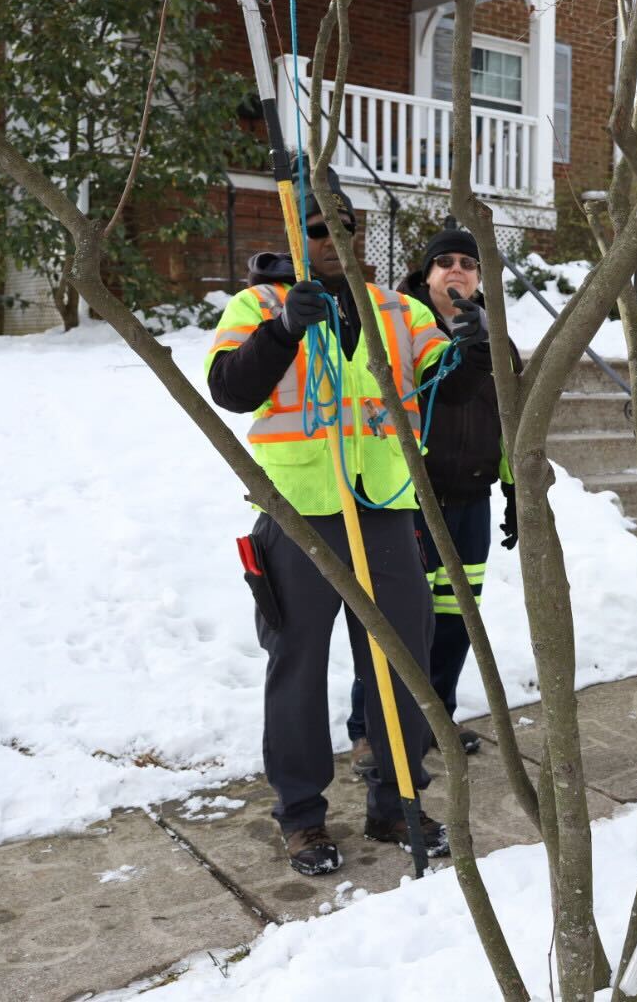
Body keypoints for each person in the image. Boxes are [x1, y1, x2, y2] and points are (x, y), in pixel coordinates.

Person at [205, 182, 491, 874]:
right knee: (298, 668)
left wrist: (473, 347)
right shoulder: (259, 305)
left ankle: (396, 803)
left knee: (402, 661)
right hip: (298, 514)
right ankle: (302, 817)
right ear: (294, 235)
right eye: (315, 228)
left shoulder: (397, 309)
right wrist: (283, 331)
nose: (331, 238)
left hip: (385, 509)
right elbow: (230, 389)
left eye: (342, 226)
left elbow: (445, 384)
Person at [347, 227, 518, 771]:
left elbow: (511, 424)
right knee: (399, 620)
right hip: (409, 498)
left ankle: (435, 717)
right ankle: (370, 728)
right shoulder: (398, 328)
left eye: (467, 262)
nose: (456, 270)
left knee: (455, 616)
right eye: (444, 261)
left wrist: (514, 489)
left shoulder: (496, 339)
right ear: (427, 274)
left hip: (472, 499)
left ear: (480, 276)